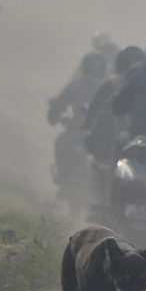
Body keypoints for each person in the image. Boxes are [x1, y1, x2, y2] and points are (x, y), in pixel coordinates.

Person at [84, 45, 146, 207]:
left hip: (118, 143)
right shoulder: (145, 84)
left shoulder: (111, 84)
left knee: (95, 161)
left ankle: (98, 202)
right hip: (141, 141)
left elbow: (93, 110)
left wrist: (87, 126)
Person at [49, 52, 108, 195]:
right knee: (61, 142)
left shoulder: (109, 88)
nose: (94, 76)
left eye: (97, 72)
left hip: (101, 134)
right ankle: (63, 181)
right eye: (91, 71)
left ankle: (108, 190)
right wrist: (57, 115)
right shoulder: (75, 86)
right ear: (85, 70)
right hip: (77, 131)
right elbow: (58, 106)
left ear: (103, 73)